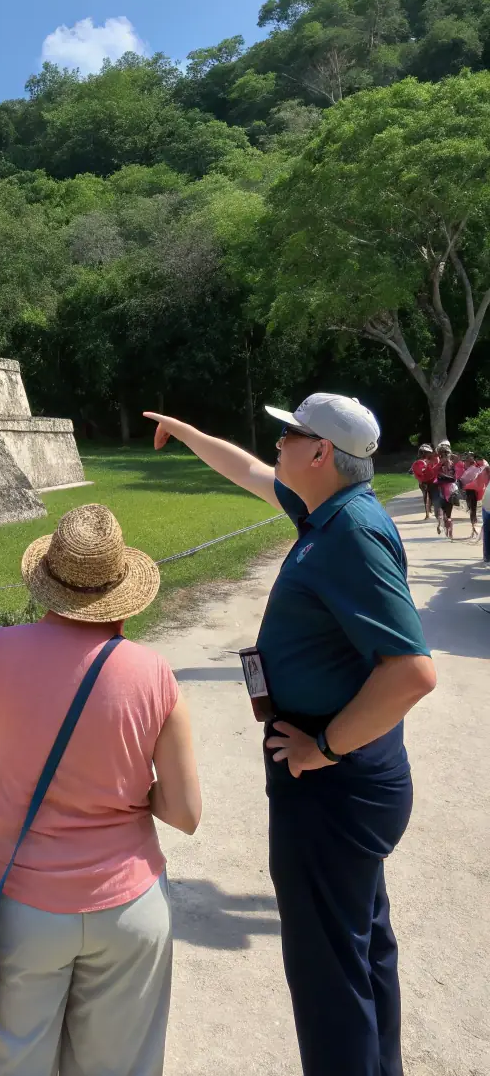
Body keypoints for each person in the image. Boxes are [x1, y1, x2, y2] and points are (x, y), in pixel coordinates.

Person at [145, 394, 436, 1076]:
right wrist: (184, 427)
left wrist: (324, 745)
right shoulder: (326, 510)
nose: (278, 443)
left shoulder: (350, 533)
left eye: (290, 434)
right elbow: (246, 469)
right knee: (360, 949)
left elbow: (413, 672)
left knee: (329, 977)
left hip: (333, 782)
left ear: (320, 452)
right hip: (342, 779)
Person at [0, 502, 200, 1076]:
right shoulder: (153, 672)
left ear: (48, 583)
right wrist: (126, 793)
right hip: (129, 903)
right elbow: (186, 811)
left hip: (23, 899)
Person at [458, 452, 488, 540]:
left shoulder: (479, 466)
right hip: (470, 490)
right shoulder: (468, 467)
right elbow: (463, 478)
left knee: (474, 508)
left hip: (476, 489)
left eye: (471, 457)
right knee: (472, 508)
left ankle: (474, 528)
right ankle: (473, 527)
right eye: (468, 458)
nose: (469, 459)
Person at [434, 440, 458, 539]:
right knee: (447, 512)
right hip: (449, 489)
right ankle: (449, 530)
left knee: (444, 511)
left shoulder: (443, 464)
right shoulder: (451, 463)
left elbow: (434, 472)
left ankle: (446, 528)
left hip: (444, 490)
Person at [409, 443, 438, 519]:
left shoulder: (422, 461)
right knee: (428, 496)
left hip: (427, 482)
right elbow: (417, 472)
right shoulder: (420, 462)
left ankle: (429, 512)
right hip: (426, 482)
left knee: (427, 496)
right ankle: (428, 512)